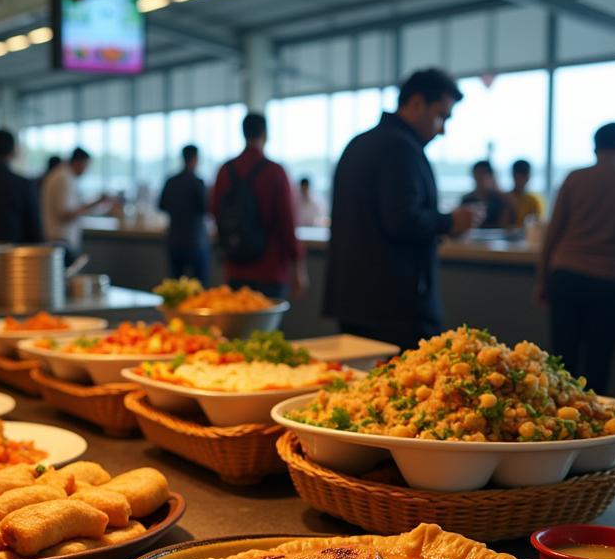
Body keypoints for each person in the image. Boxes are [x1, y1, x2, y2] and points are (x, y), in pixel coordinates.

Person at [323, 68, 483, 351]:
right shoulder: (400, 148)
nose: (442, 129)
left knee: (361, 388)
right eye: (441, 116)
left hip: (353, 300)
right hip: (394, 306)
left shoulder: (359, 144)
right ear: (417, 103)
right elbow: (401, 219)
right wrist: (451, 222)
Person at [538, 122, 615, 395]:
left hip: (567, 274)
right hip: (609, 279)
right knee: (599, 361)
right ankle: (595, 427)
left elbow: (553, 233)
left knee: (563, 361)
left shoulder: (575, 178)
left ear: (595, 147)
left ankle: (561, 426)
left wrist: (542, 280)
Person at [210, 112, 304, 301]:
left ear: (243, 133)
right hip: (270, 267)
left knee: (236, 327)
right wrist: (298, 267)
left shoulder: (225, 171)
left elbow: (214, 211)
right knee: (266, 329)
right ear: (266, 134)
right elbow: (287, 222)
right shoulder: (275, 172)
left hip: (235, 266)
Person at [40, 147, 106, 261]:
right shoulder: (63, 178)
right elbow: (65, 214)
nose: (86, 170)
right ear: (78, 162)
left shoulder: (66, 176)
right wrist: (95, 203)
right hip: (59, 241)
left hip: (61, 240)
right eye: (86, 165)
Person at [158, 144, 208, 284]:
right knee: (199, 287)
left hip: (174, 240)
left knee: (176, 287)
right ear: (196, 159)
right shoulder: (198, 182)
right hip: (195, 240)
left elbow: (161, 206)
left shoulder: (171, 181)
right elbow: (205, 209)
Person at [459, 160, 509, 229]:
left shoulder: (499, 199)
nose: (481, 178)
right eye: (478, 174)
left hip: (496, 238)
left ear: (491, 176)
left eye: (484, 174)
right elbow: (461, 225)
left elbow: (504, 225)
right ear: (473, 175)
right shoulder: (466, 200)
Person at [508, 159, 545, 225]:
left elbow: (539, 224)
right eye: (518, 176)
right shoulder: (506, 198)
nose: (520, 179)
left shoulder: (534, 200)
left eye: (523, 176)